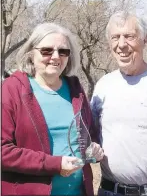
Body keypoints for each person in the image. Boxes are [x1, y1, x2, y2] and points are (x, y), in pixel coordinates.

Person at [2, 23, 104, 196]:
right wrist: (54, 164)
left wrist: (93, 148)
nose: (56, 57)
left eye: (63, 51)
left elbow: (88, 135)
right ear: (31, 54)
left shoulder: (75, 90)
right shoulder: (11, 89)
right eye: (47, 50)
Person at [90, 11, 147, 195]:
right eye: (115, 37)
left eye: (130, 36)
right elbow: (91, 137)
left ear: (145, 40)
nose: (122, 44)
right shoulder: (103, 85)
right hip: (110, 191)